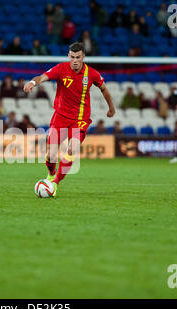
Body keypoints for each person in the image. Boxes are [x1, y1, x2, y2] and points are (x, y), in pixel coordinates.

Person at [23, 42, 116, 197]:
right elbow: (42, 77)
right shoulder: (61, 69)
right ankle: (51, 174)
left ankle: (55, 184)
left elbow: (104, 89)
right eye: (72, 57)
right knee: (50, 155)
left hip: (80, 120)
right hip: (60, 117)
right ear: (68, 56)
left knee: (72, 149)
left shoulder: (91, 73)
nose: (75, 60)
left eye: (78, 57)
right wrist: (33, 83)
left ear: (83, 57)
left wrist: (111, 107)